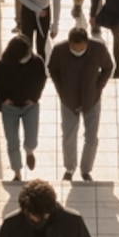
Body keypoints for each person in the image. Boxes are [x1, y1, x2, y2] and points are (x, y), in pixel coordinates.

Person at [47, 19, 114, 180]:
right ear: (69, 43)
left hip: (92, 99)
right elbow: (52, 69)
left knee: (91, 137)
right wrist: (61, 90)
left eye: (81, 48)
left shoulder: (98, 49)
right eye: (74, 48)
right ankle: (70, 168)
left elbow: (108, 67)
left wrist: (99, 86)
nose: (78, 51)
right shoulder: (59, 50)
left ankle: (86, 169)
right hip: (68, 100)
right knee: (68, 136)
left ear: (87, 43)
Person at [0, 27, 47, 178]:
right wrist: (3, 98)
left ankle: (29, 151)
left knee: (31, 138)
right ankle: (17, 172)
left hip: (30, 107)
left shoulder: (36, 62)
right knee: (12, 142)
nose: (28, 55)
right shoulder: (1, 66)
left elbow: (42, 80)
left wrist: (34, 97)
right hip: (10, 109)